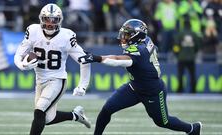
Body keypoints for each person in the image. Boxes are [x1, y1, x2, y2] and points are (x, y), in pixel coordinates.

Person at [78, 19, 202, 135]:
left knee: (163, 122)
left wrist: (96, 58)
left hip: (152, 91)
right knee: (107, 109)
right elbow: (153, 49)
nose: (123, 38)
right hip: (134, 88)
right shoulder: (146, 40)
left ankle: (192, 129)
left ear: (136, 36)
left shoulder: (139, 50)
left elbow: (117, 60)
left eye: (127, 35)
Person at [14, 3, 91, 135]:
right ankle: (76, 115)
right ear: (41, 19)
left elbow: (84, 60)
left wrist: (83, 85)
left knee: (39, 111)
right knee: (47, 119)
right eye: (47, 19)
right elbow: (18, 54)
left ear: (60, 20)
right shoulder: (33, 31)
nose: (50, 23)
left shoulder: (67, 36)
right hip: (40, 80)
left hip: (57, 79)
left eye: (54, 19)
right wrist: (22, 65)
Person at [173, 19, 199, 93]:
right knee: (192, 75)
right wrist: (193, 52)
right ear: (190, 25)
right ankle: (193, 90)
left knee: (180, 74)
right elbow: (197, 46)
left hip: (181, 57)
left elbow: (176, 46)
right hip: (191, 57)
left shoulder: (180, 34)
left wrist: (177, 54)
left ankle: (180, 89)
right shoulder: (194, 34)